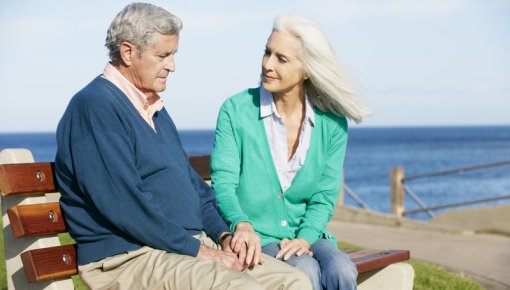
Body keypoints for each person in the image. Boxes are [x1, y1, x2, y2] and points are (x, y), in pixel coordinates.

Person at [55, 3, 312, 290]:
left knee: (293, 281)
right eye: (163, 55)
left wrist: (224, 237)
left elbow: (194, 188)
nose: (172, 66)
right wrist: (201, 252)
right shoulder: (96, 107)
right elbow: (126, 207)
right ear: (128, 52)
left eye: (174, 55)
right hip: (129, 256)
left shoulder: (153, 109)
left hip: (177, 247)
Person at [211, 14, 371, 290]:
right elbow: (223, 185)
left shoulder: (332, 124)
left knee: (342, 270)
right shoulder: (235, 111)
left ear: (307, 70)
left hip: (308, 235)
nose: (267, 65)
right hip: (256, 237)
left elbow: (324, 195)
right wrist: (241, 224)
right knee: (304, 269)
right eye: (267, 52)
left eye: (281, 59)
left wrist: (305, 238)